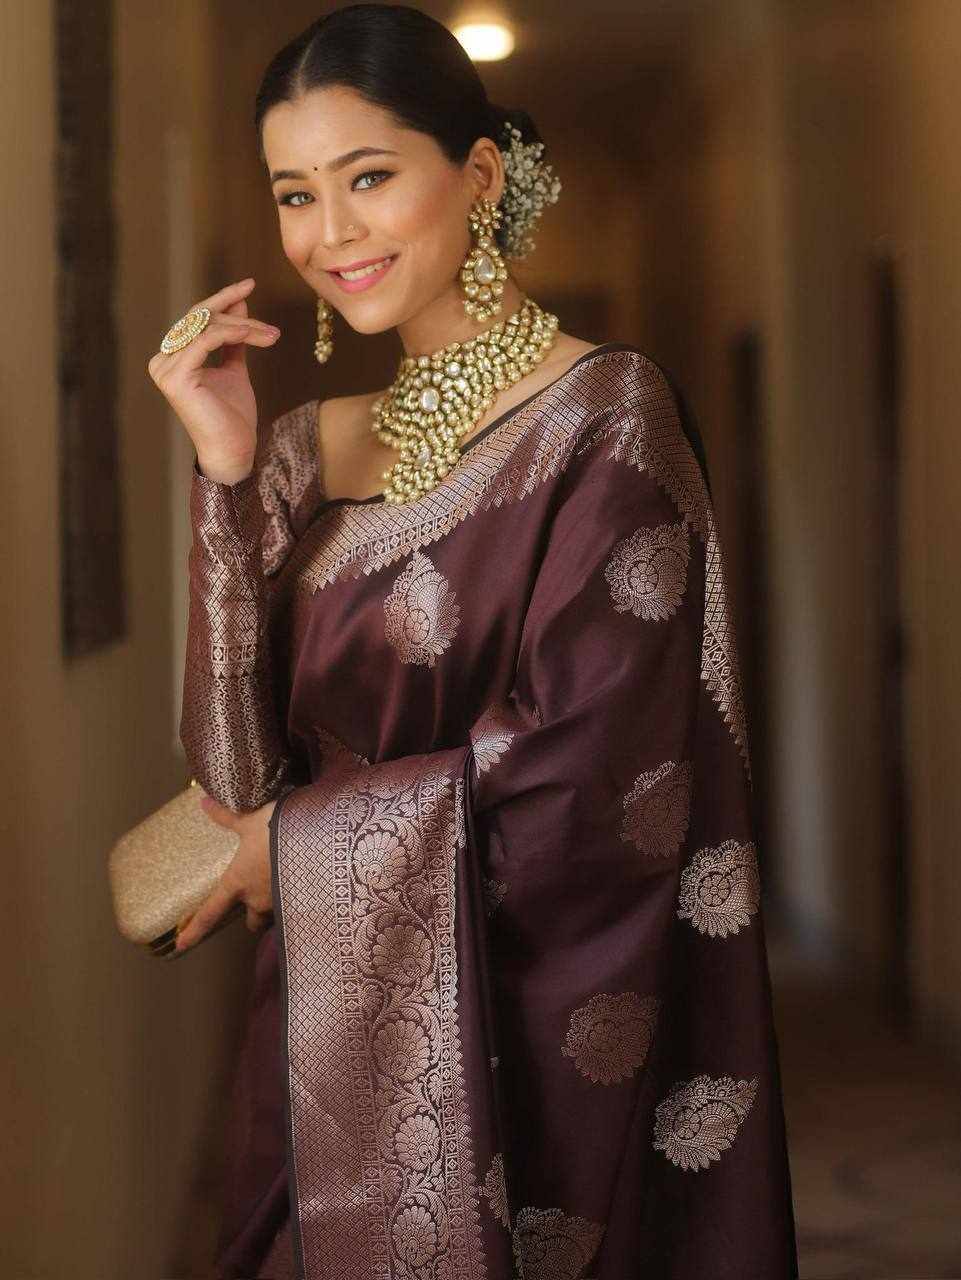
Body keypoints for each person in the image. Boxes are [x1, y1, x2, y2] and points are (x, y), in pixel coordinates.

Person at [148, 5, 799, 1277]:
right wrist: (222, 475)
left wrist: (298, 850)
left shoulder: (604, 418)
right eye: (294, 195)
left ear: (482, 175)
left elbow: (598, 775)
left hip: (535, 1062)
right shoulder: (298, 450)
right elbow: (233, 778)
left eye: (368, 177)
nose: (330, 234)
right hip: (326, 1039)